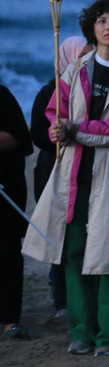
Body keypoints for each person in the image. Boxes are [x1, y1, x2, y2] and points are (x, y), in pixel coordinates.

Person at [22, 0, 109, 356]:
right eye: (101, 20)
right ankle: (82, 332)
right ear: (92, 28)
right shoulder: (75, 71)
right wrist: (57, 130)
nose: (108, 26)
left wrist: (75, 129)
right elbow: (52, 114)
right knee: (74, 254)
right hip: (75, 173)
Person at [30, 36, 92, 318]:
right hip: (52, 168)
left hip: (84, 167)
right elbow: (36, 133)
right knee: (58, 231)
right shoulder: (51, 90)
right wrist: (57, 135)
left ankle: (82, 292)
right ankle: (61, 296)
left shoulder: (93, 88)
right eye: (82, 55)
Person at [0, 85, 33, 340]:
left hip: (4, 189)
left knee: (7, 251)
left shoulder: (1, 95)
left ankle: (10, 320)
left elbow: (18, 137)